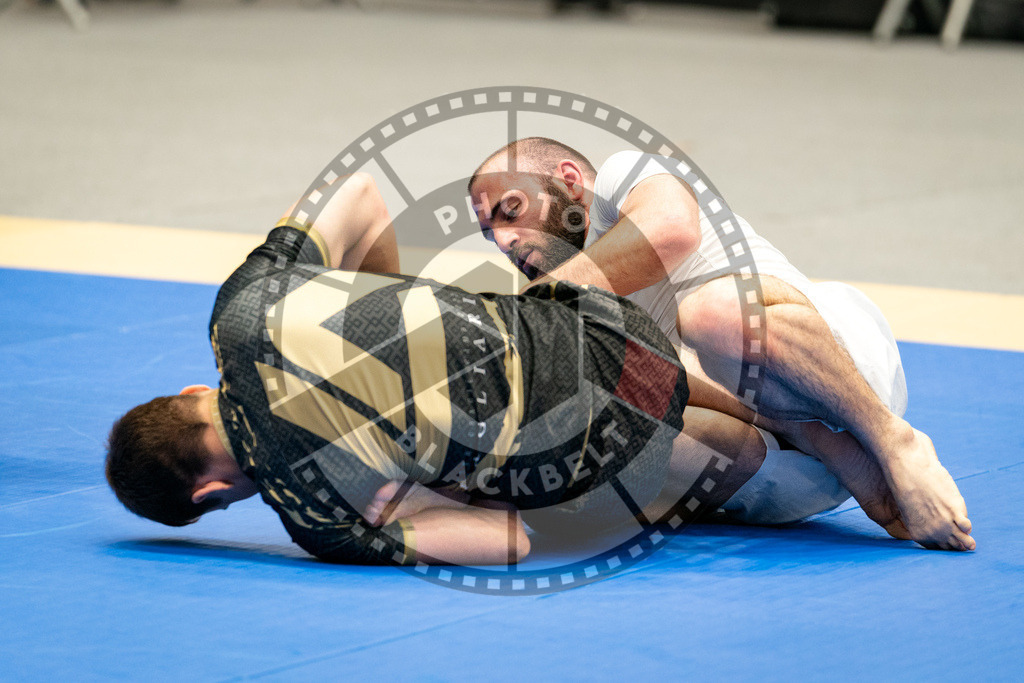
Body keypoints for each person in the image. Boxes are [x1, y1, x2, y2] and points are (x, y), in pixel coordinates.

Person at [107, 172, 803, 566]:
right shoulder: (239, 309)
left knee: (581, 460)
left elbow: (508, 540)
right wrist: (382, 311)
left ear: (209, 497)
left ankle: (799, 470)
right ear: (191, 391)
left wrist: (411, 505)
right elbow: (360, 192)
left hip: (605, 445)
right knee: (606, 365)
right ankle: (793, 399)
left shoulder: (317, 517)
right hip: (612, 330)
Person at [468, 137, 975, 552]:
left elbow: (671, 230)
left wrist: (542, 303)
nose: (505, 241)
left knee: (710, 316)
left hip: (840, 378)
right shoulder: (567, 307)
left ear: (569, 181)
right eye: (490, 233)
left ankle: (894, 441)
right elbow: (673, 387)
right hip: (785, 477)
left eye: (511, 211)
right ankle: (831, 446)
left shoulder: (622, 179)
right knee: (589, 432)